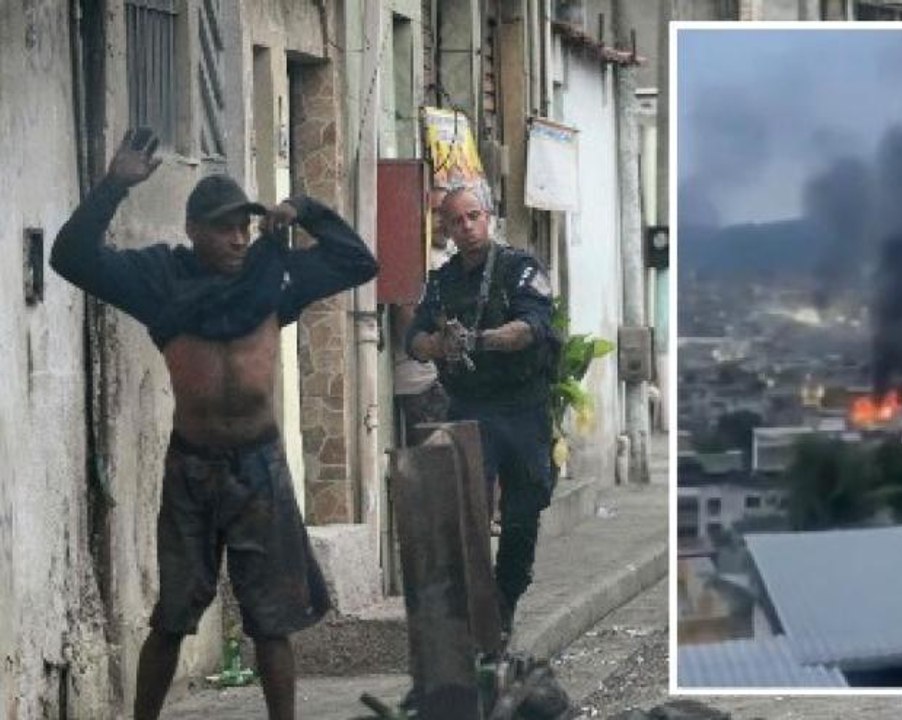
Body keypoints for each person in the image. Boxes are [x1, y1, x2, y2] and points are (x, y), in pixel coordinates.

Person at [50, 128, 378, 720]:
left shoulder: (273, 277)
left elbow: (359, 261)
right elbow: (70, 257)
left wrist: (304, 208)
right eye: (224, 227)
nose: (238, 238)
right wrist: (114, 186)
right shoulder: (160, 280)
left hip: (260, 469)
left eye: (244, 227)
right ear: (193, 230)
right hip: (192, 470)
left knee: (271, 622)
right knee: (172, 618)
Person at [404, 185, 556, 635]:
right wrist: (439, 345)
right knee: (466, 514)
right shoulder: (442, 282)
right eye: (457, 220)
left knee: (522, 515)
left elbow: (531, 327)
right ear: (447, 229)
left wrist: (478, 340)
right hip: (471, 409)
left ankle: (505, 600)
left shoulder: (519, 268)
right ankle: (476, 611)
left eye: (474, 216)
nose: (467, 227)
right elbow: (414, 340)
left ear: (488, 217)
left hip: (522, 408)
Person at [391, 186, 455, 443]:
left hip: (447, 381)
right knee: (434, 460)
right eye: (434, 212)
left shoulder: (448, 258)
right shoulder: (414, 258)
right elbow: (406, 320)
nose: (441, 221)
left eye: (446, 213)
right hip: (423, 382)